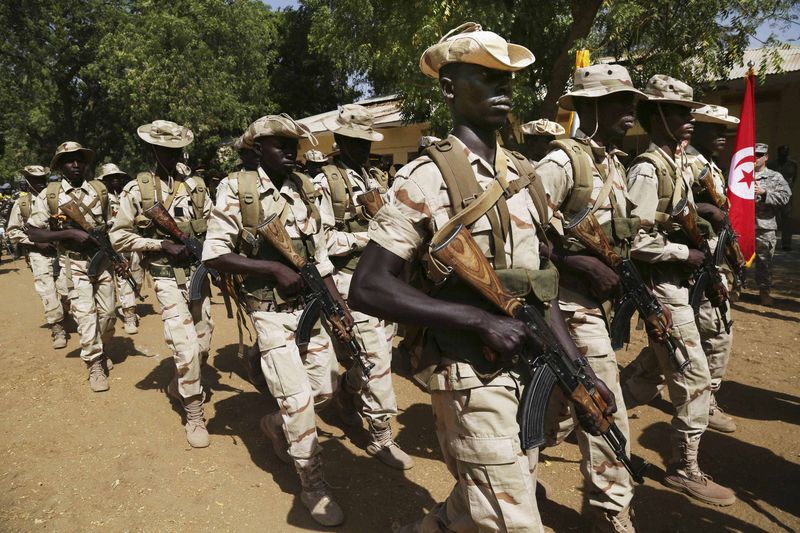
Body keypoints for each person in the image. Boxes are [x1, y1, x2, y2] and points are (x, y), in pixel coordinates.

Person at [349, 23, 615, 532]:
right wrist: (475, 318)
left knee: (491, 493)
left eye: (508, 80)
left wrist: (577, 368)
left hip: (527, 364)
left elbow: (542, 287)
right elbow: (369, 285)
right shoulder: (429, 176)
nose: (504, 90)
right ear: (449, 88)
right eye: (486, 78)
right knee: (514, 519)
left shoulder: (523, 175)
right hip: (468, 373)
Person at [203, 115, 344, 526]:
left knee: (326, 388)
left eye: (292, 143)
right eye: (277, 142)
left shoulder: (305, 188)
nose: (288, 149)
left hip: (312, 309)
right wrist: (271, 270)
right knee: (299, 404)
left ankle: (274, 425)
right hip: (269, 313)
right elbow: (213, 254)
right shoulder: (237, 189)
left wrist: (339, 307)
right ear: (256, 147)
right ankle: (312, 485)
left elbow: (320, 257)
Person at [534, 63, 645, 531]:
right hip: (563, 304)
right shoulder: (562, 163)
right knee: (603, 403)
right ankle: (610, 510)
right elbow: (522, 238)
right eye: (621, 102)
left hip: (591, 306)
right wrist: (575, 263)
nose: (630, 112)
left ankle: (517, 468)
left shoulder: (612, 164)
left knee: (555, 409)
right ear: (591, 106)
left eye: (631, 103)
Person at [623, 76, 735, 506]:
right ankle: (683, 469)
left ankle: (568, 421)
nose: (687, 120)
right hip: (661, 286)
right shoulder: (648, 170)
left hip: (680, 285)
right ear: (655, 117)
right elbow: (633, 240)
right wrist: (680, 252)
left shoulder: (677, 163)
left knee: (653, 371)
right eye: (676, 113)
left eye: (689, 112)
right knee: (693, 378)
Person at [314, 103, 414, 470]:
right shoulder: (325, 183)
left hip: (383, 281)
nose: (362, 149)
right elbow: (321, 243)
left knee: (374, 355)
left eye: (365, 142)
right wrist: (369, 236)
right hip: (349, 280)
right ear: (340, 140)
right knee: (375, 358)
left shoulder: (375, 179)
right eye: (354, 142)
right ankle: (380, 435)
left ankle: (345, 395)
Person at [110, 120, 214, 448]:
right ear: (153, 150)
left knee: (203, 345)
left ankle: (178, 384)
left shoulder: (196, 185)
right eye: (165, 150)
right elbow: (117, 235)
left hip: (198, 274)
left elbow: (213, 225)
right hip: (167, 277)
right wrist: (160, 245)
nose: (172, 156)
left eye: (176, 150)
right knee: (184, 349)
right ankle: (194, 412)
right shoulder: (138, 189)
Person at [26, 142, 117, 392]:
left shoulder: (100, 191)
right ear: (60, 165)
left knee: (108, 314)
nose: (75, 164)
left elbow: (113, 226)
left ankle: (102, 344)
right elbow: (33, 232)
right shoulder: (51, 195)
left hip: (102, 261)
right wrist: (67, 234)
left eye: (79, 159)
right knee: (86, 314)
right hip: (72, 262)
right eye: (69, 160)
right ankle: (94, 362)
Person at [5, 165, 70, 348]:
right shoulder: (22, 204)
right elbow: (13, 232)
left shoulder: (56, 197)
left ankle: (66, 312)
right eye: (35, 179)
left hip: (62, 251)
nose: (40, 183)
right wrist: (35, 242)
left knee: (66, 289)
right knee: (47, 291)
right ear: (27, 181)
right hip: (38, 254)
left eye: (43, 179)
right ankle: (57, 328)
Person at [96, 163, 145, 335]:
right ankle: (129, 316)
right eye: (110, 178)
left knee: (136, 279)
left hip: (131, 242)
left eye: (117, 177)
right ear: (104, 181)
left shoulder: (127, 195)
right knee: (122, 278)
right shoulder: (101, 198)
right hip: (109, 244)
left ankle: (126, 305)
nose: (115, 180)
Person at [753, 143, 792, 305]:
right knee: (736, 259)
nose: (755, 158)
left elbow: (785, 197)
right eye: (753, 154)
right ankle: (735, 289)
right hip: (741, 225)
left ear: (766, 157)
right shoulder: (738, 174)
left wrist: (765, 194)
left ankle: (764, 291)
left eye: (759, 155)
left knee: (764, 261)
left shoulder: (775, 177)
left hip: (765, 225)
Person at [769, 145, 797, 250]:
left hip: (787, 195)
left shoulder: (793, 164)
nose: (784, 154)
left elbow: (794, 178)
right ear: (778, 153)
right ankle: (772, 243)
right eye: (782, 152)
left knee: (787, 219)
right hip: (774, 194)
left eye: (786, 152)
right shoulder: (772, 165)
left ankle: (786, 244)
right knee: (773, 219)